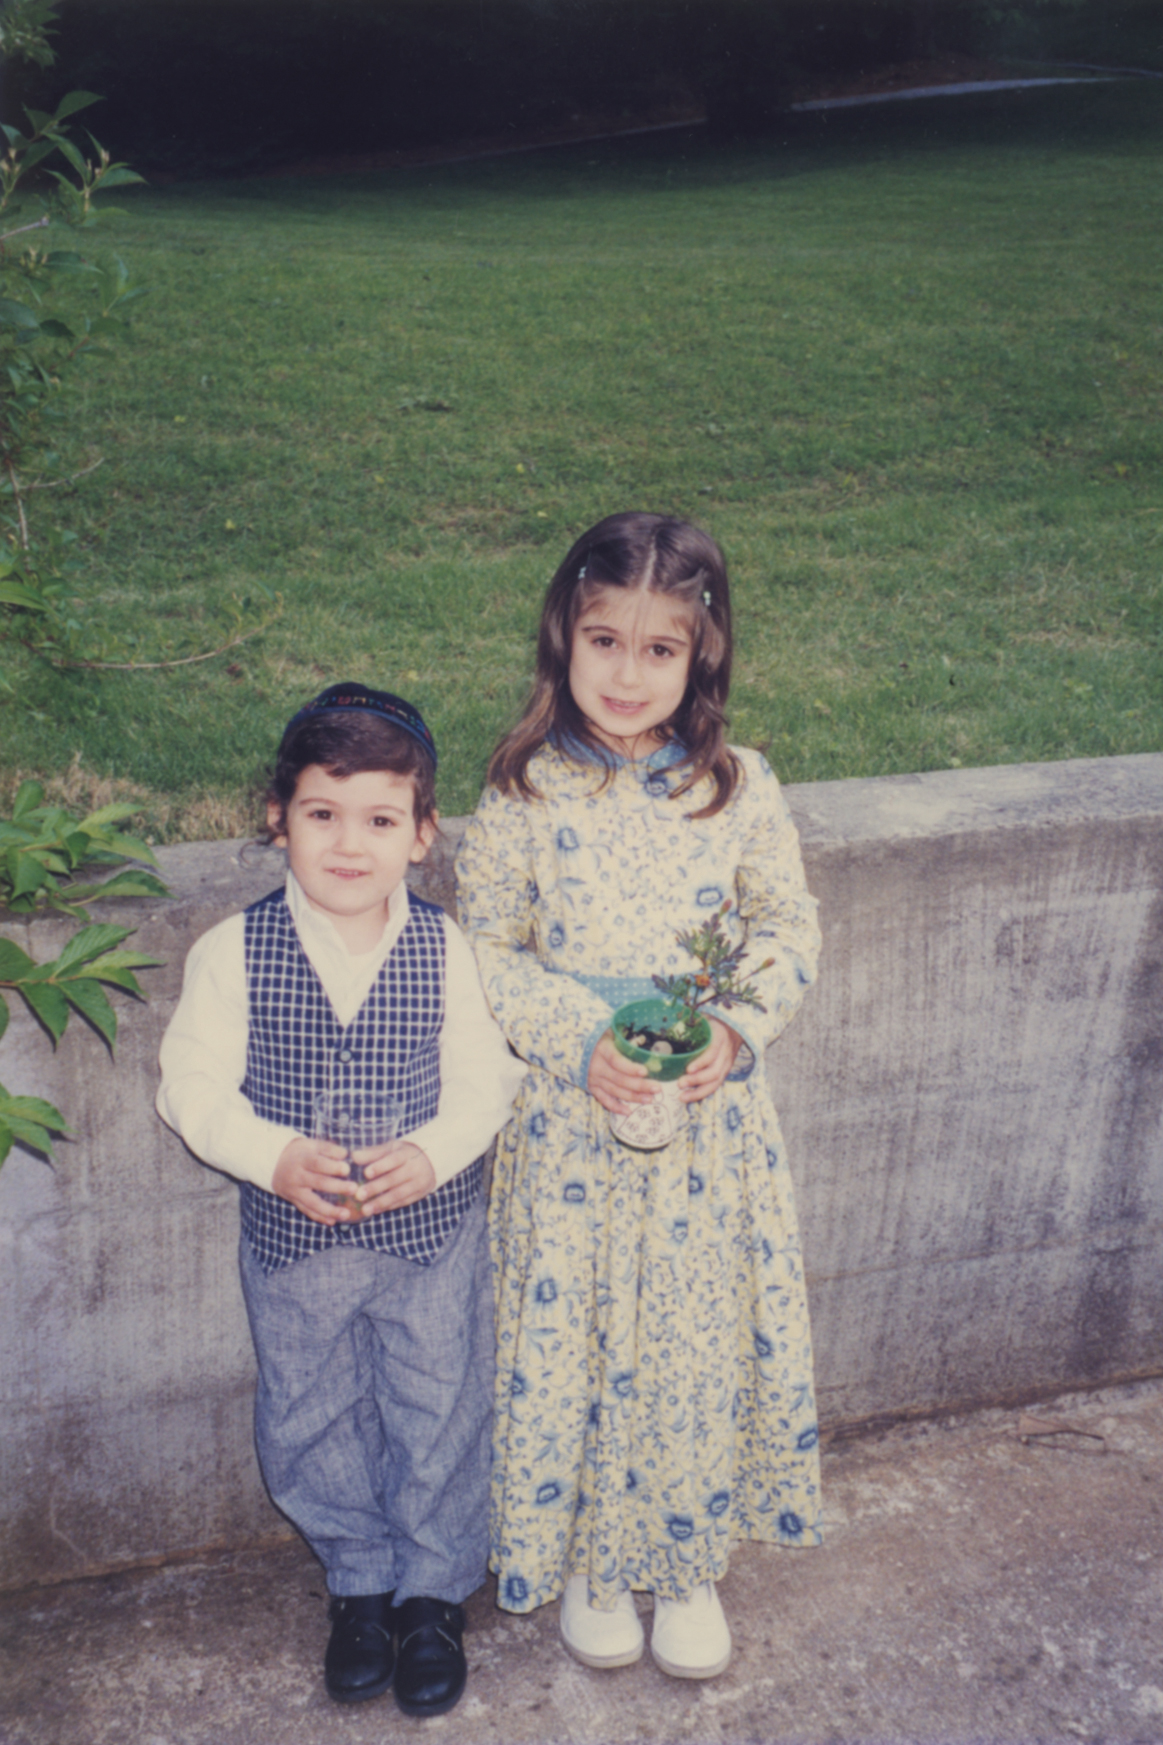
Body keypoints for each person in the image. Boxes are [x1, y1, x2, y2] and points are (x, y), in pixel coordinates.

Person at [455, 512, 823, 1681]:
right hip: (572, 1121)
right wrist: (576, 1042)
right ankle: (591, 1558)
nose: (626, 672)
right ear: (564, 632)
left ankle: (686, 1556)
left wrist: (732, 1026)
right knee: (579, 1338)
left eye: (658, 648)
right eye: (604, 638)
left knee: (686, 1338)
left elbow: (786, 923)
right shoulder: (521, 789)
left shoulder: (738, 786)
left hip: (706, 1125)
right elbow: (491, 947)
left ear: (701, 654)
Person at [157, 683, 525, 1718]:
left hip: (427, 1240)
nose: (348, 843)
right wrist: (269, 1154)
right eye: (323, 813)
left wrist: (436, 1148)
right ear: (278, 815)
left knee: (437, 1401)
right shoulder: (233, 953)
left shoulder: (449, 950)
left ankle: (430, 1589)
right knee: (307, 1409)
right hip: (293, 1247)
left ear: (421, 832)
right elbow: (188, 1084)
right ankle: (357, 1576)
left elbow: (487, 1076)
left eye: (379, 818)